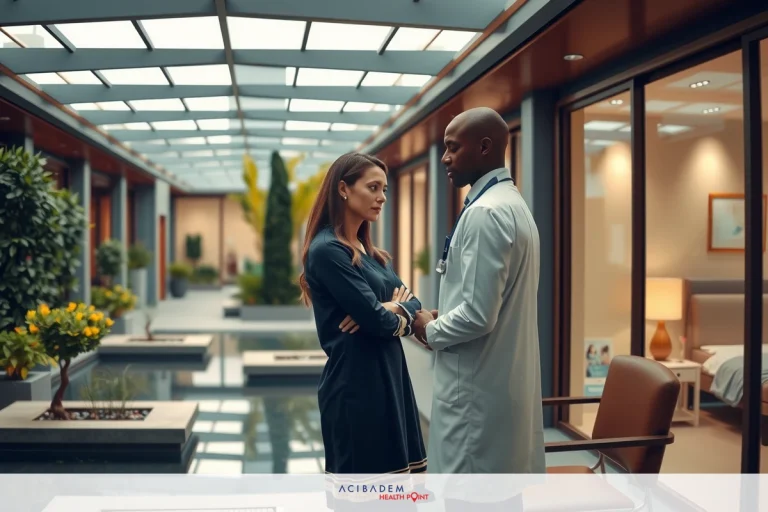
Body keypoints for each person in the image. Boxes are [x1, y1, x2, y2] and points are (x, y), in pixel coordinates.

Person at [412, 107, 545, 475]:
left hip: (475, 398)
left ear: (485, 147)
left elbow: (477, 315)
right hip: (499, 390)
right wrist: (448, 311)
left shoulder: (486, 213)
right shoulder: (514, 205)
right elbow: (491, 302)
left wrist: (429, 328)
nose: (444, 158)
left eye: (453, 148)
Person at [299, 152, 427, 477]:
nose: (382, 197)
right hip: (356, 390)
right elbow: (380, 322)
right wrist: (385, 313)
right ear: (344, 188)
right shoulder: (328, 250)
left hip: (390, 381)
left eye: (384, 189)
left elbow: (412, 303)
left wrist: (392, 308)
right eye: (373, 187)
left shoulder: (371, 254)